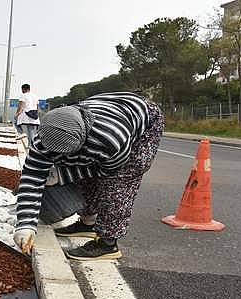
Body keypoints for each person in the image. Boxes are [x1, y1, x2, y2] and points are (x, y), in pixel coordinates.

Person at [13, 92, 164, 260]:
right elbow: (31, 178)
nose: (61, 159)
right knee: (82, 175)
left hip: (144, 118)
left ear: (83, 142)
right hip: (109, 109)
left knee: (119, 182)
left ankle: (107, 243)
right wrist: (25, 224)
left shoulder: (109, 141)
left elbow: (106, 172)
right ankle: (88, 224)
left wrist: (62, 175)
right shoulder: (43, 140)